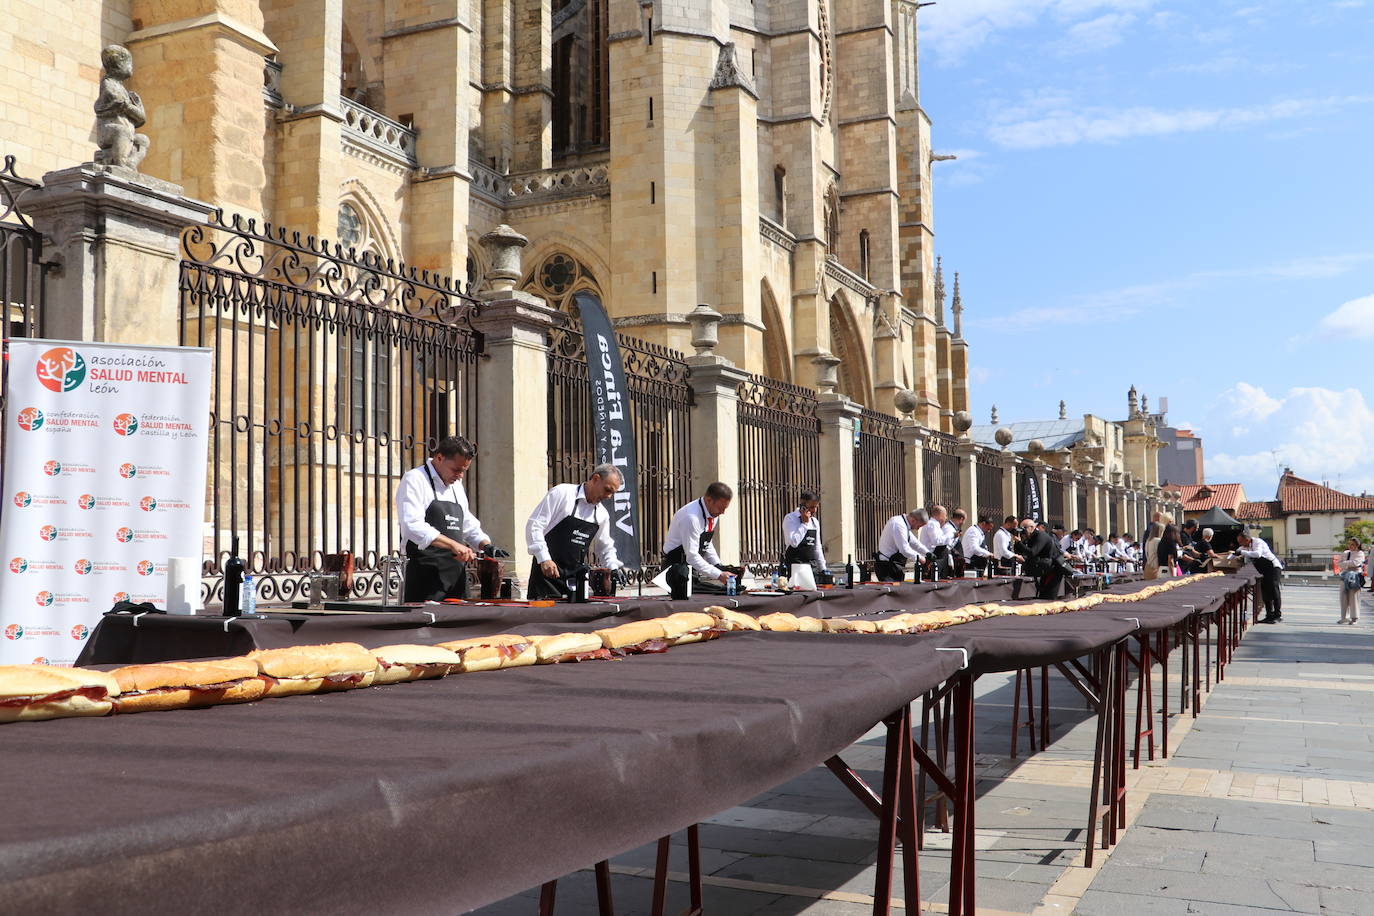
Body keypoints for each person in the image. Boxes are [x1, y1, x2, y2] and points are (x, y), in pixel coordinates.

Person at [396, 435, 497, 602]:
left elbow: (466, 522)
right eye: (456, 470)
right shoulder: (415, 479)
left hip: (456, 578)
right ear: (439, 457)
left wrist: (485, 544)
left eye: (464, 471)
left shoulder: (456, 485)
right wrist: (453, 544)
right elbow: (412, 525)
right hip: (425, 576)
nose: (460, 476)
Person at [525, 464, 625, 599]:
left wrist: (613, 568)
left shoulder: (602, 514)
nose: (609, 497)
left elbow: (605, 547)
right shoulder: (562, 494)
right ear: (595, 479)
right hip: (545, 577)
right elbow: (535, 526)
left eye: (613, 493)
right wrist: (544, 558)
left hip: (575, 581)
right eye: (608, 490)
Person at [663, 482, 736, 593]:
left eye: (725, 508)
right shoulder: (691, 518)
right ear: (708, 500)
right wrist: (718, 574)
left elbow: (706, 543)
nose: (723, 512)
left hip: (691, 569)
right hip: (675, 571)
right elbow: (691, 556)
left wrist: (719, 566)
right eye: (720, 508)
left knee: (722, 591)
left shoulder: (712, 513)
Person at [1236, 530, 1283, 623]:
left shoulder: (1258, 542)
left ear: (1247, 539)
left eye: (1241, 542)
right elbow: (1239, 550)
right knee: (1265, 592)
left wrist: (1242, 552)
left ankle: (1277, 615)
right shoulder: (1246, 546)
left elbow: (1258, 554)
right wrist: (1235, 553)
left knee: (1274, 590)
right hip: (1263, 570)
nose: (1240, 544)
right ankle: (1269, 615)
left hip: (1272, 567)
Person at [876, 509, 929, 582]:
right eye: (919, 526)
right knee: (892, 592)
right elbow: (904, 549)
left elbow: (914, 542)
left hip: (895, 566)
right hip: (887, 567)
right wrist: (920, 558)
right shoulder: (898, 524)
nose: (917, 529)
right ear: (913, 520)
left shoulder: (903, 524)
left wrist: (927, 553)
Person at [1019, 518, 1066, 598]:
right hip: (1044, 570)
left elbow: (1032, 552)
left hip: (1052, 570)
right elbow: (1023, 552)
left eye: (1024, 529)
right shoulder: (1031, 537)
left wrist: (1020, 543)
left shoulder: (1041, 536)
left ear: (1031, 527)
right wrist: (1018, 542)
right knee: (1042, 596)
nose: (1023, 532)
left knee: (1048, 598)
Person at [782, 490, 825, 575]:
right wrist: (804, 524)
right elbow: (793, 543)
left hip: (812, 567)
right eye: (812, 507)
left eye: (816, 507)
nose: (814, 510)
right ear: (803, 505)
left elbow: (817, 547)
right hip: (796, 566)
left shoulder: (814, 522)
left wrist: (823, 568)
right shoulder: (790, 519)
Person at [918, 505, 956, 578]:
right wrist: (952, 535)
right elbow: (937, 541)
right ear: (940, 515)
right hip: (932, 558)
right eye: (945, 515)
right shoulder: (932, 524)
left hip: (936, 557)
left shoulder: (935, 525)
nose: (946, 518)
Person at [1337, 538, 1366, 624]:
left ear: (1357, 545)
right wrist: (1348, 563)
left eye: (1352, 544)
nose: (1350, 546)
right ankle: (1344, 617)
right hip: (1345, 575)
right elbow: (1339, 563)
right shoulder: (1346, 552)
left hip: (1355, 576)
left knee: (1354, 597)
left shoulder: (1360, 553)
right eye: (1349, 544)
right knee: (1343, 596)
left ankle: (1354, 618)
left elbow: (1356, 563)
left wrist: (1345, 563)